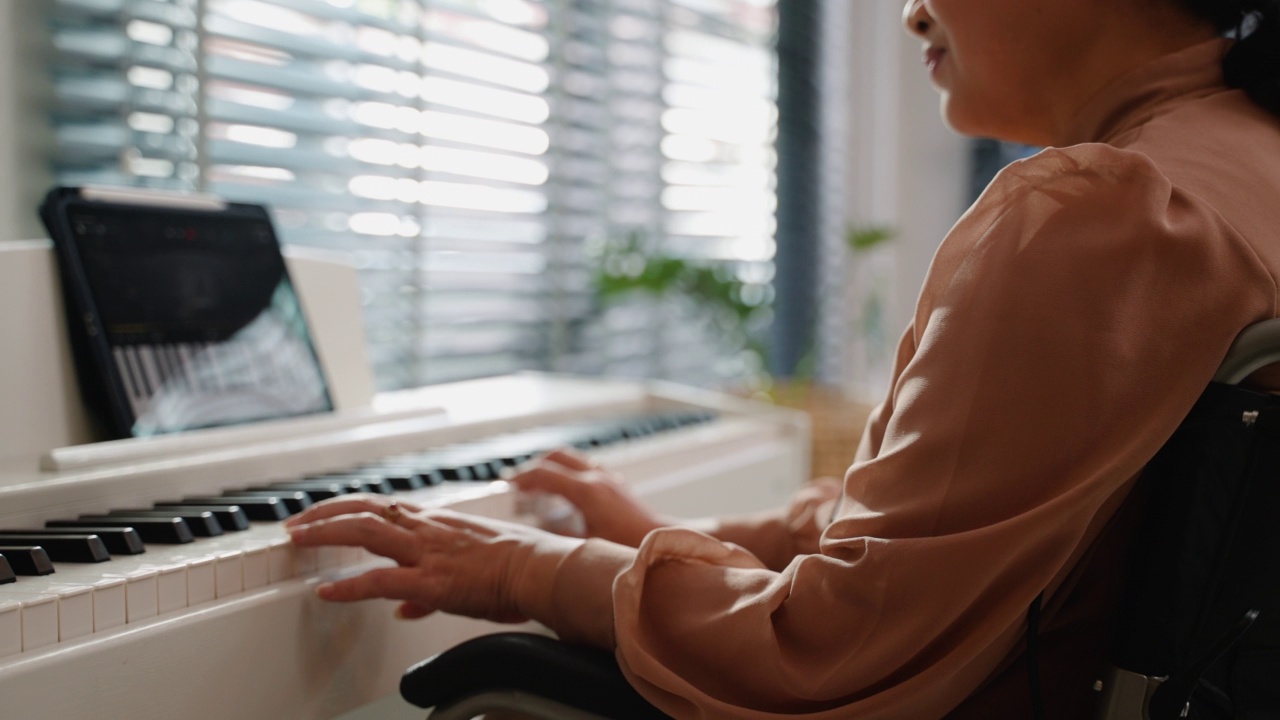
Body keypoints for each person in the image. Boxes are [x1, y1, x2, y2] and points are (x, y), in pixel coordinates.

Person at [284, 0, 1280, 716]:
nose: (905, 15)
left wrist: (526, 574)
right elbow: (955, 528)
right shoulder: (1240, 162)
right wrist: (667, 544)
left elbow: (839, 646)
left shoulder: (1103, 212)